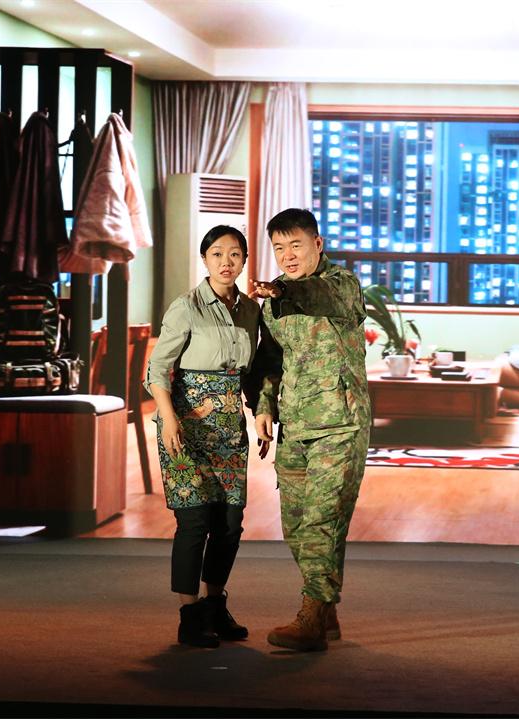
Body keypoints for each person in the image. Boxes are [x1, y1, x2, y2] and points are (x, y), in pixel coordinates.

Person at [247, 208, 371, 652]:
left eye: (296, 245)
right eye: (279, 248)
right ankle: (326, 610)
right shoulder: (273, 302)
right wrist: (264, 407)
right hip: (295, 426)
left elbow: (318, 296)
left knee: (322, 521)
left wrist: (282, 289)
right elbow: (270, 361)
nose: (288, 255)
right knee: (297, 525)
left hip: (340, 424)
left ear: (317, 244)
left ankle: (312, 615)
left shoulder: (342, 286)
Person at [145, 225, 266, 649]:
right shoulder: (186, 307)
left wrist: (262, 411)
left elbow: (250, 374)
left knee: (229, 524)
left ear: (244, 260)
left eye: (234, 254)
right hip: (184, 426)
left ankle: (216, 605)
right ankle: (190, 615)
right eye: (217, 253)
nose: (226, 262)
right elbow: (157, 370)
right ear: (204, 259)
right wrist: (168, 418)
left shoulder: (250, 311)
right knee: (194, 521)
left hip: (229, 430)